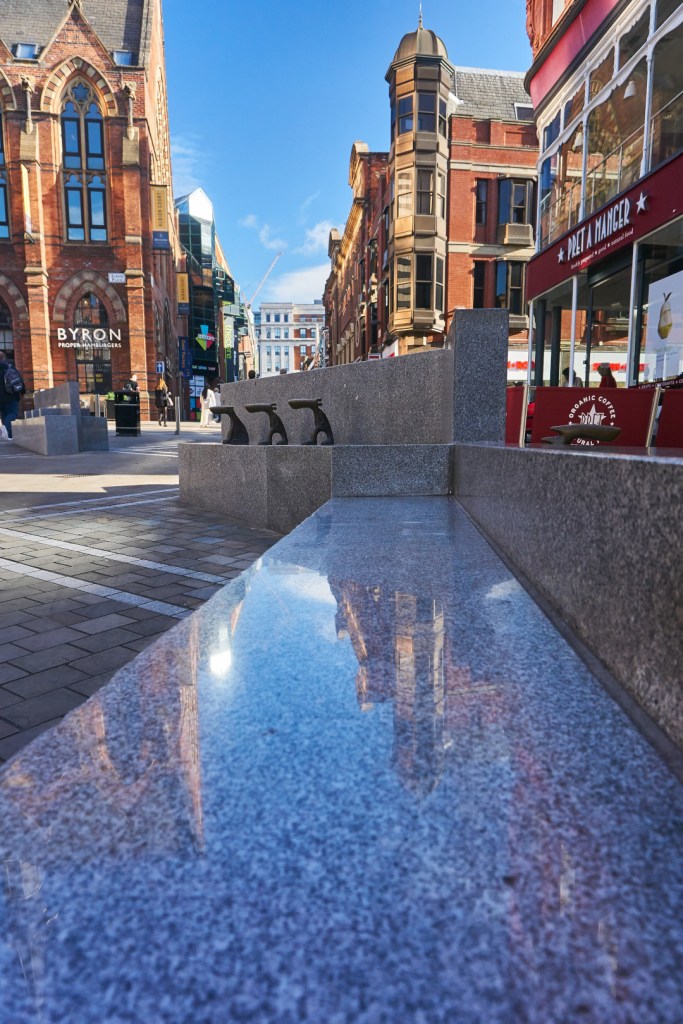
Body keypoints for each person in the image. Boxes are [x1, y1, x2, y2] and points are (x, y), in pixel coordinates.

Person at [0, 350, 25, 440]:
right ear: (4, 358)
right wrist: (22, 392)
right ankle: (7, 430)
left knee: (4, 414)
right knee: (12, 413)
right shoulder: (9, 367)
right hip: (10, 395)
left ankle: (7, 434)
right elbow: (19, 380)